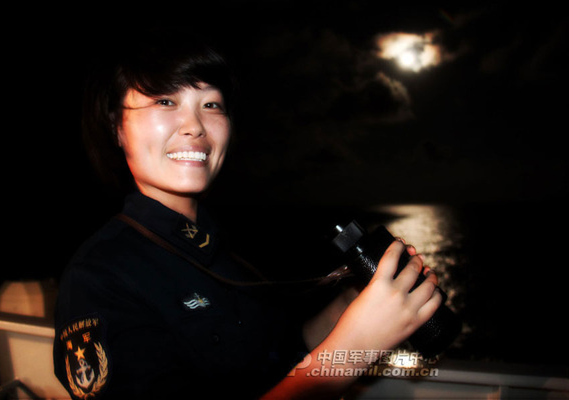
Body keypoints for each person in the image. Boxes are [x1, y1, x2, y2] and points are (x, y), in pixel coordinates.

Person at [53, 30, 442, 399]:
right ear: (116, 127)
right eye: (165, 101)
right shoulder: (98, 279)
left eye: (211, 104)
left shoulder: (224, 251)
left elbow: (280, 358)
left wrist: (355, 303)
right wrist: (355, 348)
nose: (195, 126)